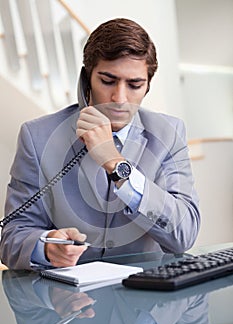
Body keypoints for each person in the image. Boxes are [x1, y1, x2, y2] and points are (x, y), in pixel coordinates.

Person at [0, 18, 200, 270]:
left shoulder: (169, 133)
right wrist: (45, 247)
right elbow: (12, 237)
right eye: (107, 81)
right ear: (86, 79)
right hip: (70, 302)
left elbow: (184, 234)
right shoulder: (37, 136)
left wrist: (116, 163)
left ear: (147, 85)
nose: (119, 98)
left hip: (148, 298)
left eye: (134, 85)